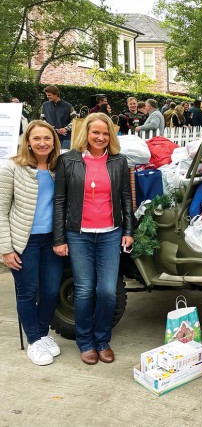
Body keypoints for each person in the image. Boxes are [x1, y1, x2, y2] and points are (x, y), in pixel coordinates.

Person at [52, 113, 133, 365]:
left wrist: (129, 231)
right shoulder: (68, 161)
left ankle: (102, 340)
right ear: (85, 133)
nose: (100, 137)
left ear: (111, 136)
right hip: (79, 235)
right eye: (95, 132)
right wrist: (59, 238)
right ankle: (85, 342)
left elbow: (126, 199)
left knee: (108, 291)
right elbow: (60, 201)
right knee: (85, 290)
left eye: (105, 133)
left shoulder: (119, 161)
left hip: (111, 233)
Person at [0, 120, 63, 366]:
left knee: (49, 291)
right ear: (27, 141)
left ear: (54, 142)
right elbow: (1, 210)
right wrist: (5, 249)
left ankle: (42, 333)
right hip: (23, 242)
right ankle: (34, 340)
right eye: (36, 138)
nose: (42, 143)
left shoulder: (59, 168)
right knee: (28, 291)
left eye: (47, 138)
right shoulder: (11, 168)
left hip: (52, 241)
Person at [41, 85, 75, 150]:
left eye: (49, 95)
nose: (47, 97)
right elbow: (42, 119)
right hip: (51, 136)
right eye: (47, 95)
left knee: (65, 157)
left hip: (66, 138)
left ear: (56, 94)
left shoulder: (68, 106)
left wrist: (66, 129)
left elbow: (75, 120)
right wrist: (48, 126)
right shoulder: (45, 105)